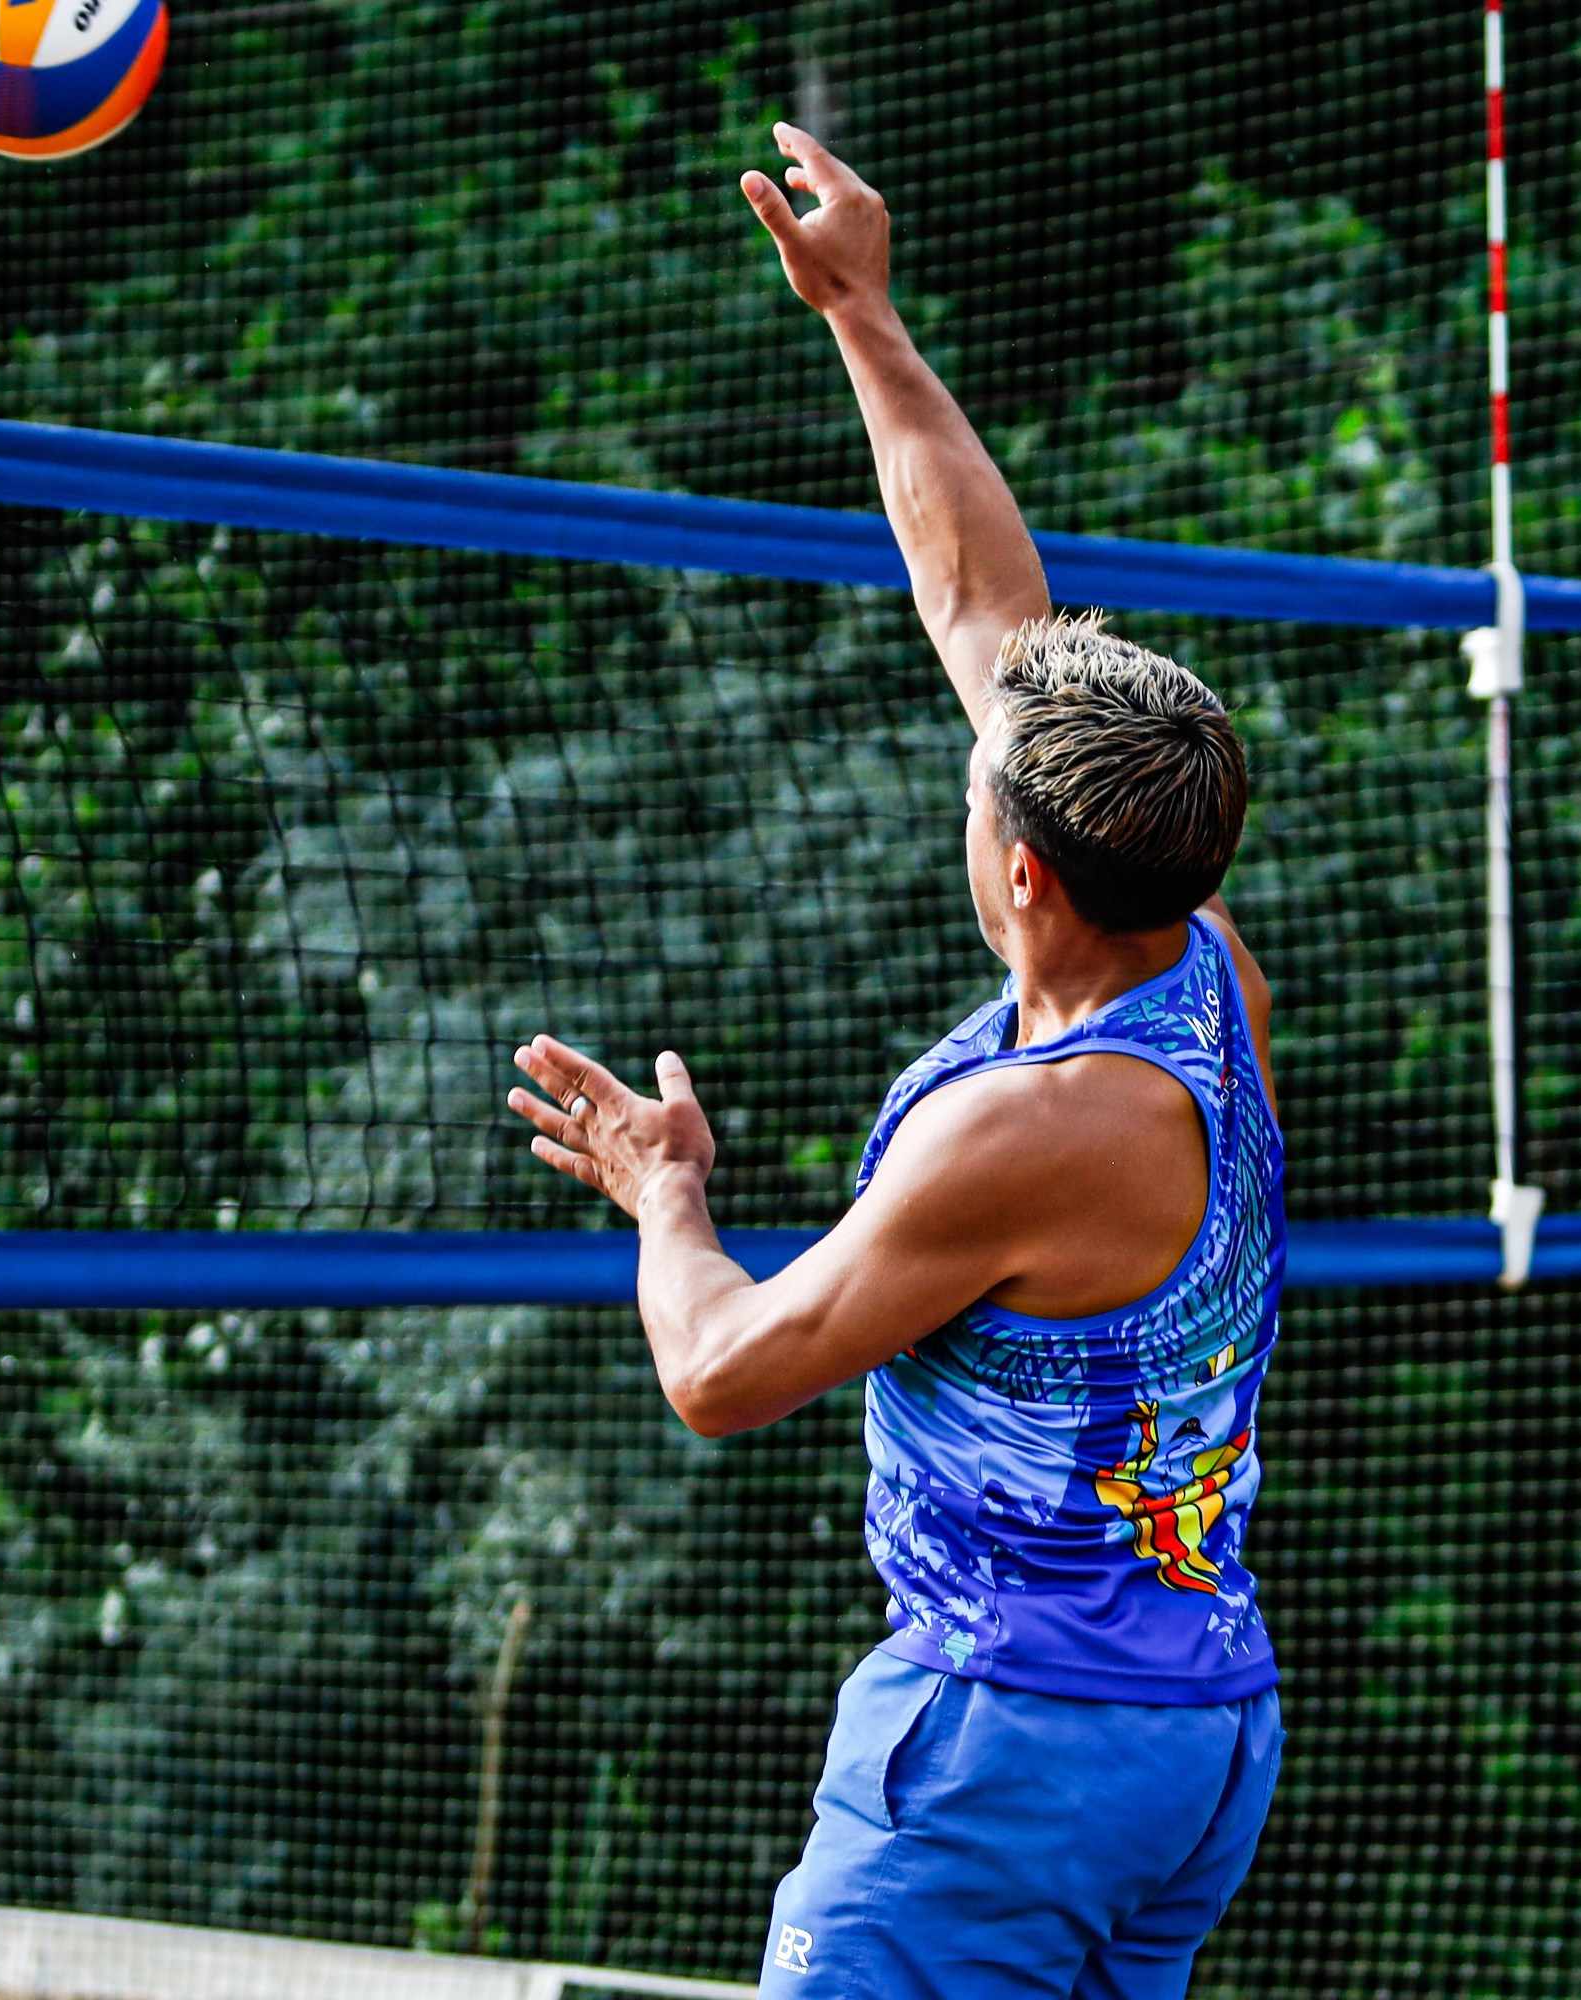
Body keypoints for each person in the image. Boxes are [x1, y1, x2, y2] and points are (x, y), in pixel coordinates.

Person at [505, 124, 1287, 2000]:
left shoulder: (1029, 1135)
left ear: (1020, 871)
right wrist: (862, 311)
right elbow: (979, 604)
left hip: (1005, 1749)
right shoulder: (1204, 961)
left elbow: (718, 1371)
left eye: (976, 783)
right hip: (1191, 1730)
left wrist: (666, 1196)